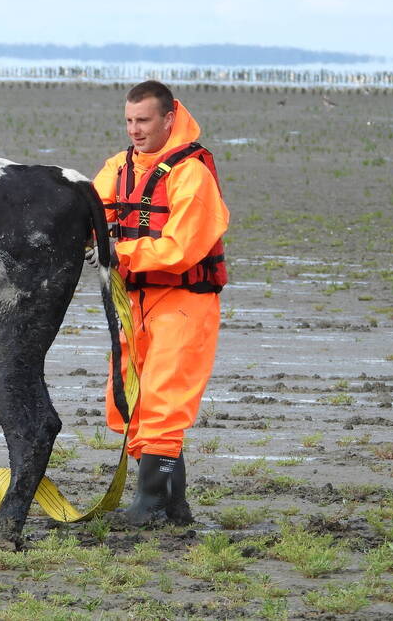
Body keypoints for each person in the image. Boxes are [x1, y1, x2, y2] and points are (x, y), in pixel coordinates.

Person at [90, 80, 229, 526]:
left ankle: (150, 505)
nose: (135, 129)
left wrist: (120, 253)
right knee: (130, 400)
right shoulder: (118, 167)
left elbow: (181, 249)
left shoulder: (192, 174)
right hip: (134, 301)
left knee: (164, 401)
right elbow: (94, 216)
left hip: (185, 301)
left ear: (169, 118)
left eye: (144, 120)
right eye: (129, 120)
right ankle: (173, 506)